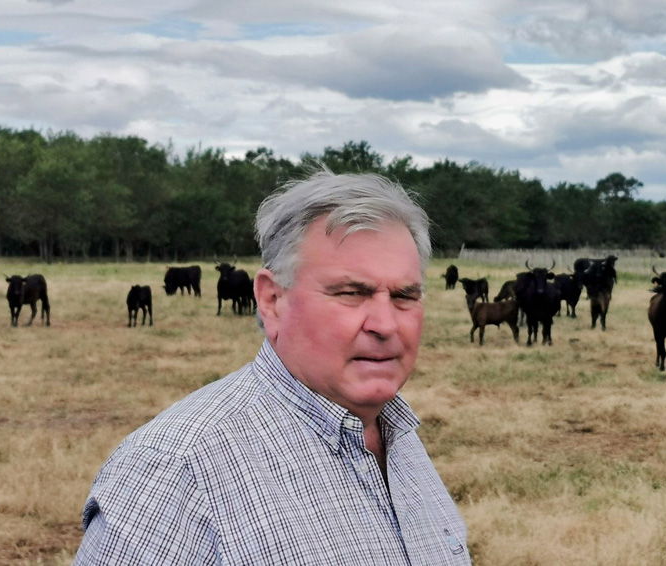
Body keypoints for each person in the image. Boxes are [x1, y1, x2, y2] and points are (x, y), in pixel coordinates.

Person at [74, 169, 470, 565]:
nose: (385, 324)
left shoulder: (399, 437)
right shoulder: (174, 473)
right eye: (351, 293)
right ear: (272, 300)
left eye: (404, 296)